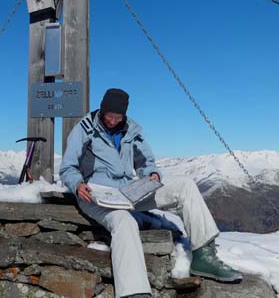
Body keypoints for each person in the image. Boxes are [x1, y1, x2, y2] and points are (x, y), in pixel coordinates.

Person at [60, 88, 241, 298]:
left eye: (117, 117)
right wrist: (78, 185)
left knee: (185, 185)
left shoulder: (131, 131)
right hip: (93, 195)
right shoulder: (84, 130)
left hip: (127, 193)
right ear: (102, 110)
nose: (112, 121)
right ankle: (134, 292)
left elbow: (145, 162)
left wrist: (152, 175)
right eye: (109, 116)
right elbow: (67, 168)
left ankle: (203, 256)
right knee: (125, 222)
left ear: (124, 115)